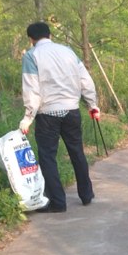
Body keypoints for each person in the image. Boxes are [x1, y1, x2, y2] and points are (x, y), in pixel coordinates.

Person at [19, 21, 99, 213]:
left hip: (47, 114)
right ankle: (86, 195)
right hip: (72, 111)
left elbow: (32, 89)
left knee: (48, 157)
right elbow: (85, 80)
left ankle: (58, 202)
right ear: (50, 35)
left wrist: (28, 117)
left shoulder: (32, 55)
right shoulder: (68, 51)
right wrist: (92, 105)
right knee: (77, 152)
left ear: (31, 39)